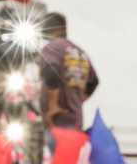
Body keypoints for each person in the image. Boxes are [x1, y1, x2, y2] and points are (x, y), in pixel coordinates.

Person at [39, 12, 99, 155]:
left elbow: (51, 72)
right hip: (75, 121)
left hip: (57, 122)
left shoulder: (52, 47)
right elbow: (94, 82)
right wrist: (76, 101)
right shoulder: (79, 52)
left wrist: (53, 107)